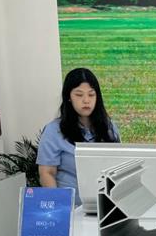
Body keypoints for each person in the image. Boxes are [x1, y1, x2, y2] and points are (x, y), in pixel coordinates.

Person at [37, 67, 120, 195]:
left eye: (91, 94)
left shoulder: (109, 127)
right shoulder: (53, 131)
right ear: (69, 97)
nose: (86, 100)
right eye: (79, 95)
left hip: (105, 201)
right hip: (71, 203)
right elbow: (47, 173)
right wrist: (59, 203)